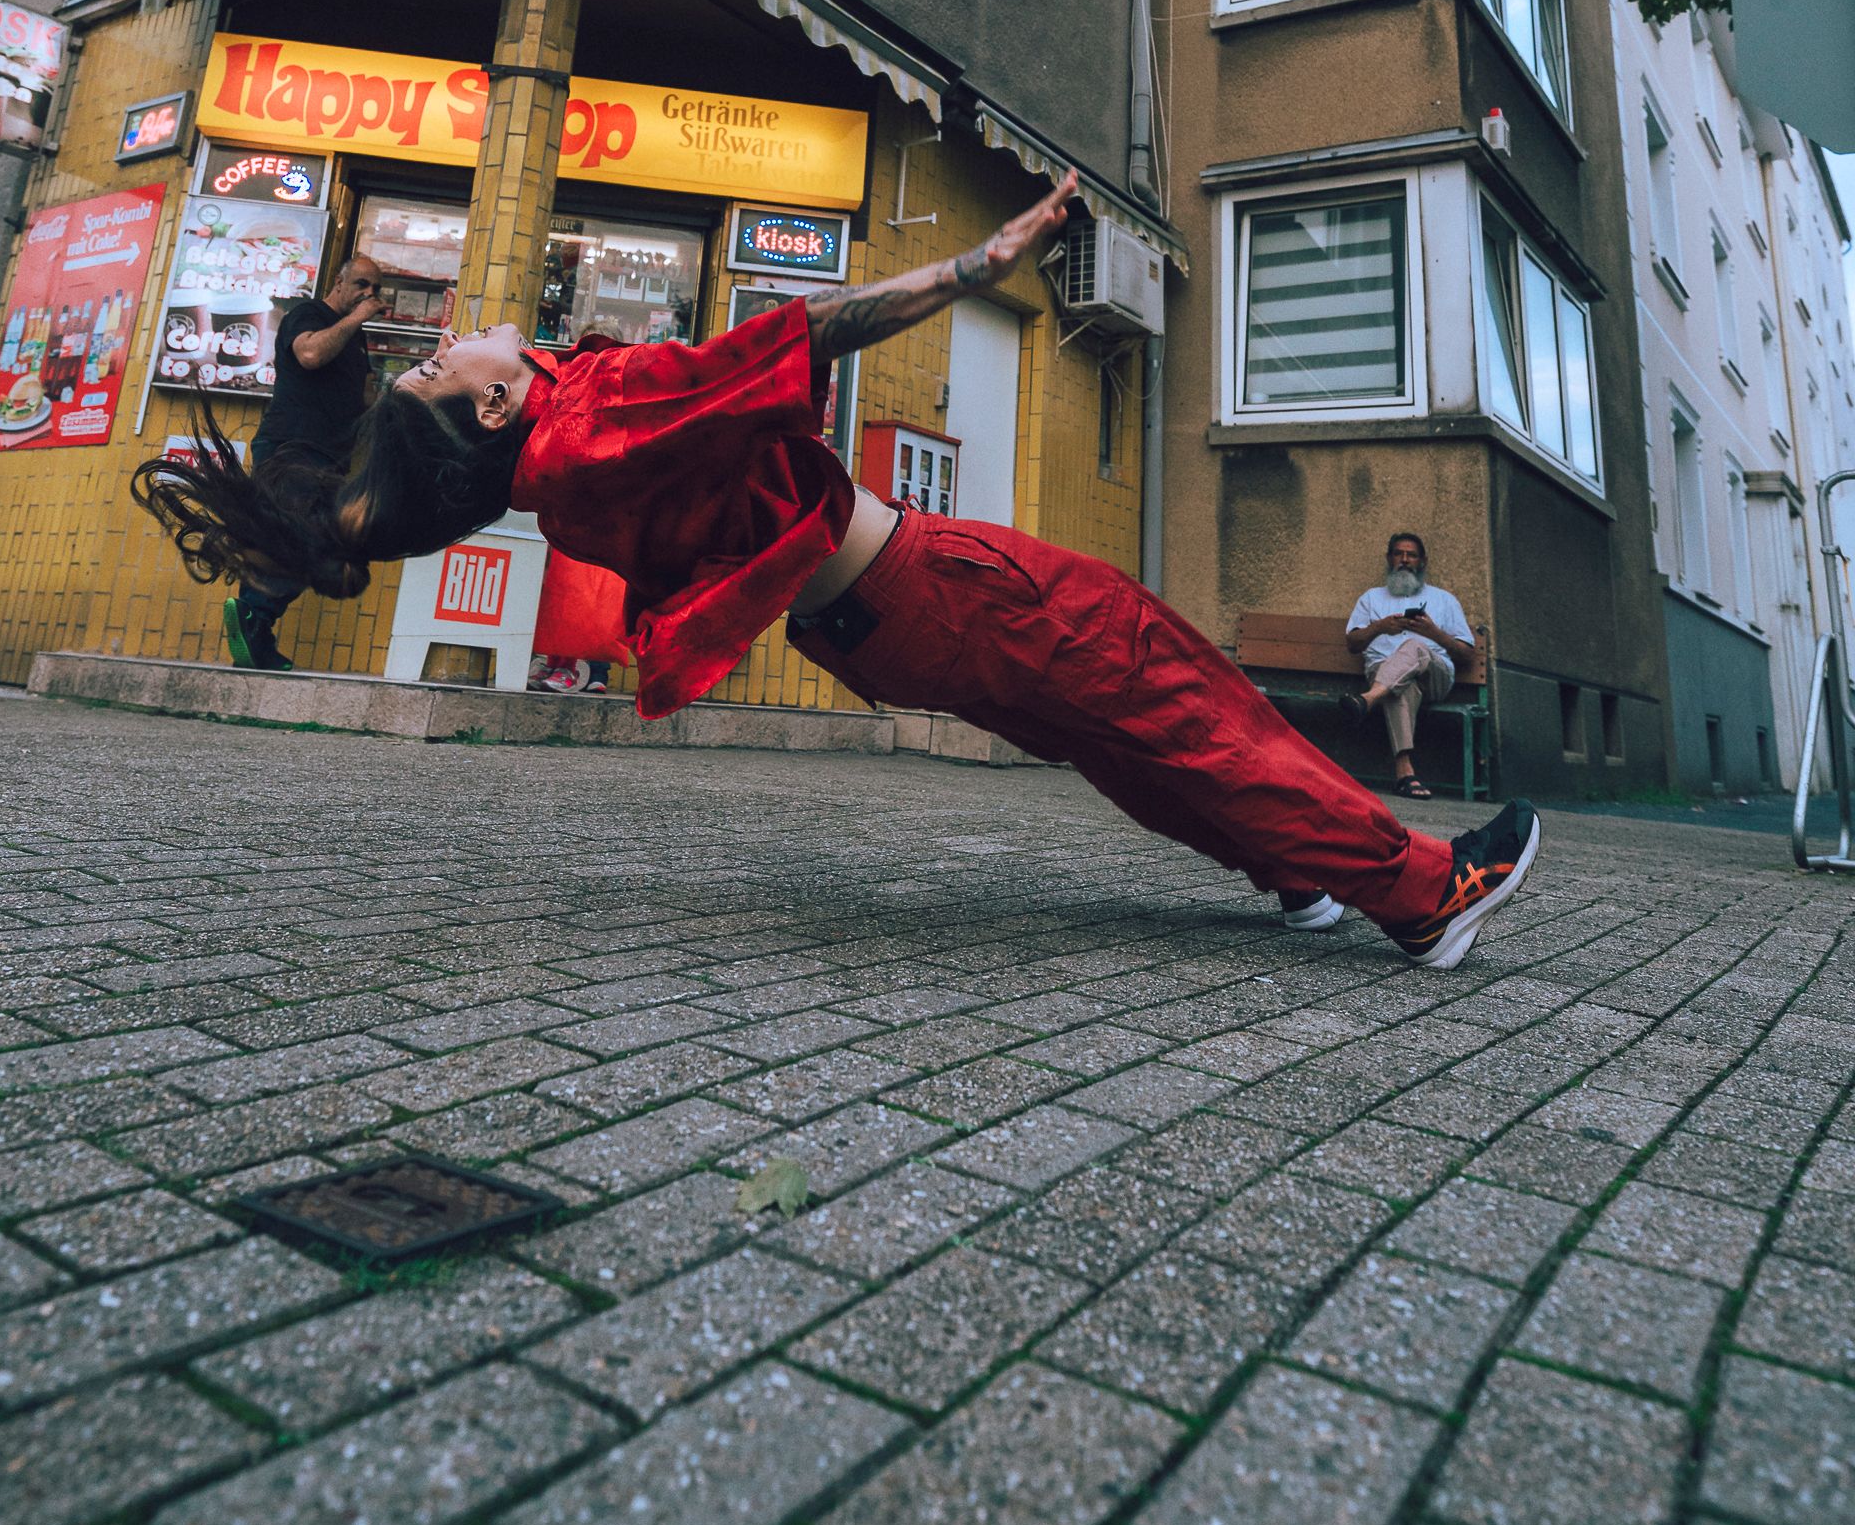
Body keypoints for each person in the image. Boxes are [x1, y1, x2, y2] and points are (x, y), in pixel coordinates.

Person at [137, 179, 1538, 967]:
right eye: (456, 359)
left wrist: (323, 389)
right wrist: (968, 269)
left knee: (1118, 734)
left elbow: (372, 515)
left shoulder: (554, 482)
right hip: (934, 581)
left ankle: (1290, 865)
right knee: (1169, 683)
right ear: (496, 407)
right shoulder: (588, 413)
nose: (471, 328)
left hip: (873, 632)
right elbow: (791, 341)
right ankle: (1423, 893)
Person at [219, 251, 384, 668]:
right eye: (362, 284)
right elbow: (309, 355)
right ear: (339, 283)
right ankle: (255, 614)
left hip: (329, 458)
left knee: (305, 541)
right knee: (298, 539)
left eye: (376, 289)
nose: (370, 294)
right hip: (292, 449)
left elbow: (363, 400)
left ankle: (256, 630)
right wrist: (355, 320)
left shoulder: (354, 338)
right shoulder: (308, 314)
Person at [1342, 534, 1477, 802]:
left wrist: (1434, 633)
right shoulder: (1371, 598)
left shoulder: (1444, 600)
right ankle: (1405, 773)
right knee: (1400, 688)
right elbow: (1353, 644)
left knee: (1415, 646)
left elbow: (1468, 655)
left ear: (1422, 561)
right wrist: (1380, 627)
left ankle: (1367, 700)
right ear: (1389, 558)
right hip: (1384, 672)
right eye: (1398, 554)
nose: (1404, 560)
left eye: (1411, 555)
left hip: (1434, 677)